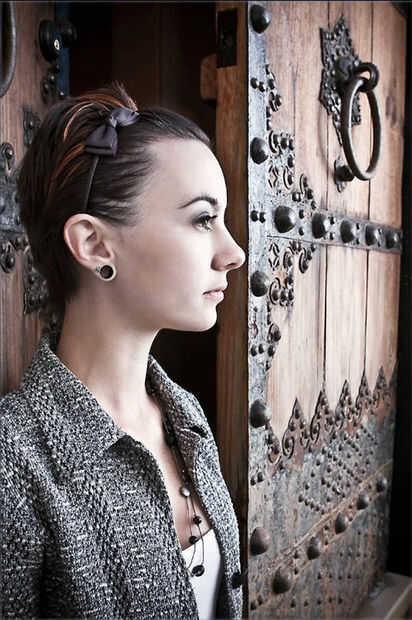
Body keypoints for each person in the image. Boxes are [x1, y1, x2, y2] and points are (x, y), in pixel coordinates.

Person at [0, 82, 246, 619]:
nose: (233, 252)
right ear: (94, 244)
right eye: (203, 219)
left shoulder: (185, 417)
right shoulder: (15, 462)